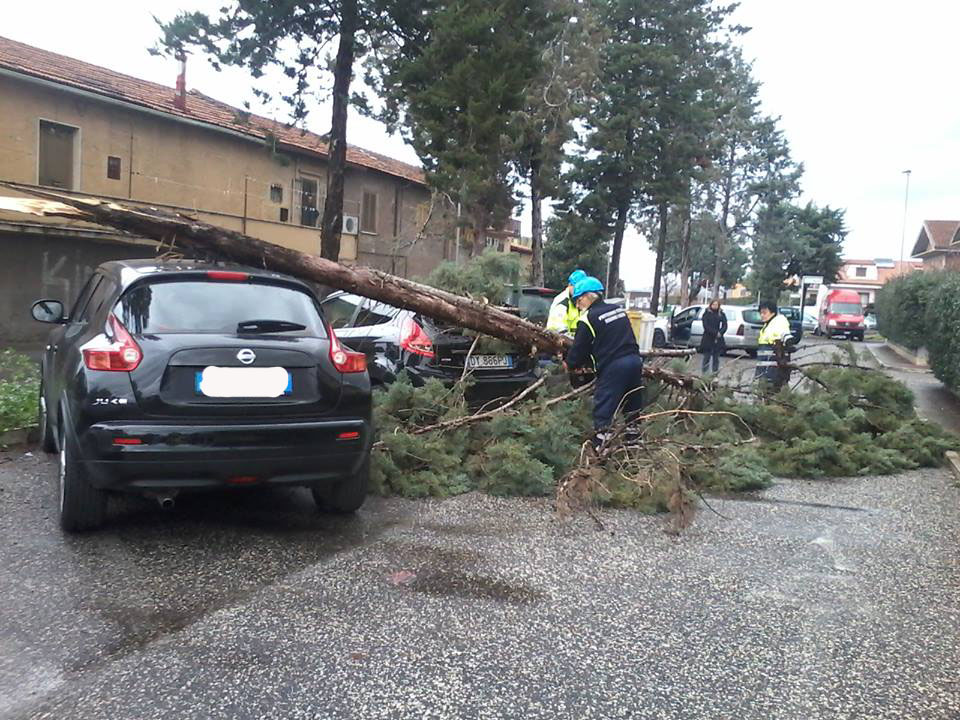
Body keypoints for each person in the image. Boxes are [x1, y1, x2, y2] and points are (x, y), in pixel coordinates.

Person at [564, 276, 644, 445]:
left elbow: (579, 349)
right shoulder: (617, 310)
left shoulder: (587, 318)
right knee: (632, 406)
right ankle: (634, 447)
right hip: (635, 361)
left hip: (614, 366)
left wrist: (569, 364)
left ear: (587, 297)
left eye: (578, 301)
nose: (578, 306)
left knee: (604, 409)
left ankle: (601, 451)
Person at [755, 301, 793, 390]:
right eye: (760, 313)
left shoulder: (779, 322)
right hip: (765, 370)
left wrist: (788, 341)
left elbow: (784, 335)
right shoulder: (768, 325)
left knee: (773, 395)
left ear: (773, 312)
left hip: (773, 372)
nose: (762, 315)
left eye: (764, 313)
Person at [546, 269, 587, 335]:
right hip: (559, 341)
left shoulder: (580, 299)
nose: (579, 291)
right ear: (569, 285)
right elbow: (559, 329)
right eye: (577, 287)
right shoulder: (562, 302)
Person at [699, 300, 727, 374]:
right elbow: (706, 326)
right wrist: (715, 333)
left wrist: (720, 332)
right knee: (706, 357)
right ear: (711, 305)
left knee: (716, 358)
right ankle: (704, 374)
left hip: (717, 339)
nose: (715, 306)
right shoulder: (706, 314)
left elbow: (725, 325)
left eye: (716, 304)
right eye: (713, 304)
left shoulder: (721, 314)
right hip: (708, 338)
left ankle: (715, 374)